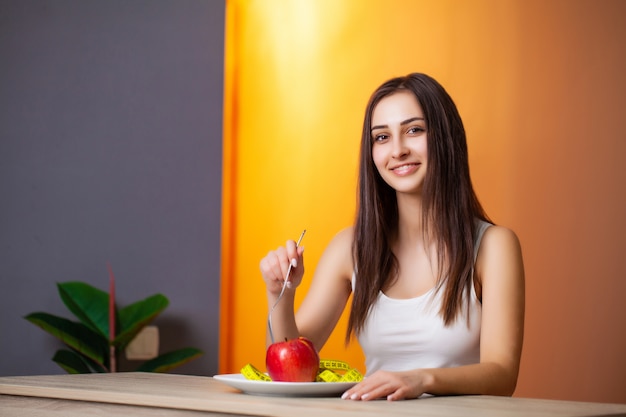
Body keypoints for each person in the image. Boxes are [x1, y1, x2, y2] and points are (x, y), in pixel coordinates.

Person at [259, 73, 525, 401]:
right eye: (381, 137)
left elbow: (502, 375)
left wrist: (421, 379)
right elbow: (290, 370)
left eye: (414, 130)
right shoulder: (350, 248)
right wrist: (280, 294)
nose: (397, 150)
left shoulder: (494, 246)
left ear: (445, 138)